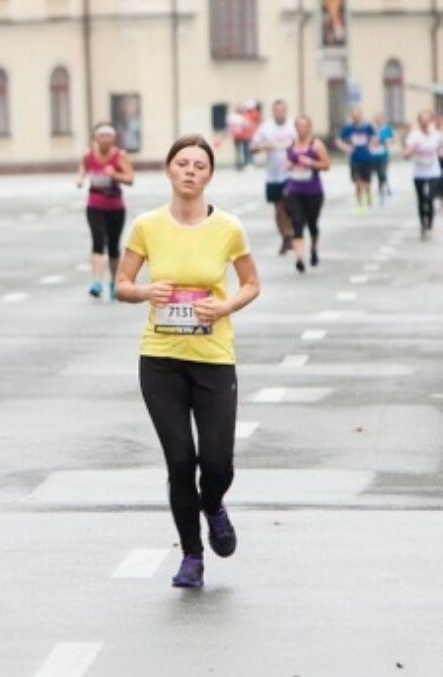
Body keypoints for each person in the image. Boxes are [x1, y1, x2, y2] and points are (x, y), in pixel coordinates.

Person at [114, 135, 260, 589]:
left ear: (209, 175)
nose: (190, 171)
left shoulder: (229, 228)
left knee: (216, 464)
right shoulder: (147, 226)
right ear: (169, 171)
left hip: (214, 359)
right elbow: (122, 283)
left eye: (199, 165)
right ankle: (192, 556)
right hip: (161, 361)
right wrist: (143, 292)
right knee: (180, 461)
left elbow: (252, 283)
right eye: (182, 163)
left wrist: (225, 307)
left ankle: (213, 505)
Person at [75, 123, 135, 299]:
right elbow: (82, 169)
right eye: (102, 135)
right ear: (96, 138)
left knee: (114, 246)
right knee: (98, 240)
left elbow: (130, 179)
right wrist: (80, 179)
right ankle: (96, 282)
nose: (105, 139)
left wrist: (114, 174)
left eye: (109, 135)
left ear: (113, 138)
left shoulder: (120, 155)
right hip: (94, 205)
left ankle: (114, 283)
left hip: (115, 206)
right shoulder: (88, 155)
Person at [250, 99, 297, 254]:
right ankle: (285, 236)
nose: (279, 113)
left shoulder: (293, 127)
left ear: (286, 111)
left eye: (282, 110)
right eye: (276, 111)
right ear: (273, 112)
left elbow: (304, 143)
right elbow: (252, 147)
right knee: (278, 208)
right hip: (272, 175)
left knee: (288, 205)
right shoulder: (266, 128)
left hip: (290, 174)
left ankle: (291, 233)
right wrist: (263, 146)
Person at [285, 115, 332, 272]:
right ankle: (299, 258)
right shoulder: (291, 144)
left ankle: (313, 249)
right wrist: (289, 165)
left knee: (312, 223)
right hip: (294, 190)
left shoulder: (316, 145)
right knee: (297, 224)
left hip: (313, 191)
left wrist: (311, 163)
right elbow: (288, 162)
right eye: (298, 126)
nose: (301, 129)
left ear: (309, 128)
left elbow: (327, 165)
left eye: (304, 126)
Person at [404, 109, 443, 241]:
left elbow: (441, 147)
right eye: (422, 121)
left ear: (431, 121)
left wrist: (440, 152)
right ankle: (423, 224)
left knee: (429, 199)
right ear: (419, 122)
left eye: (427, 120)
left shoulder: (437, 135)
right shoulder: (414, 136)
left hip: (433, 172)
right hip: (419, 173)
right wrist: (410, 151)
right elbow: (407, 153)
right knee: (421, 200)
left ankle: (430, 224)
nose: (425, 123)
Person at [336, 106, 377, 212]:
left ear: (361, 116)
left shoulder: (368, 127)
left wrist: (372, 144)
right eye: (354, 116)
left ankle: (368, 194)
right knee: (357, 182)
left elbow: (374, 137)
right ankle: (360, 204)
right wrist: (346, 147)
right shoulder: (348, 128)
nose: (356, 118)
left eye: (358, 116)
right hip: (355, 159)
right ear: (351, 117)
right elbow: (338, 140)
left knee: (367, 182)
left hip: (367, 158)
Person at [370, 112, 394, 204]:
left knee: (382, 173)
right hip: (372, 155)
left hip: (383, 154)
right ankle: (380, 187)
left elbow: (391, 139)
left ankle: (382, 190)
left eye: (380, 118)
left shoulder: (387, 128)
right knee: (373, 174)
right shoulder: (371, 128)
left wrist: (383, 141)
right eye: (377, 118)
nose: (378, 120)